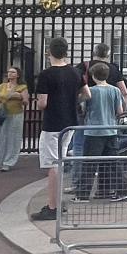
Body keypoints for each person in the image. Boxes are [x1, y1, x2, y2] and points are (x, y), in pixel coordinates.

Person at [32, 37, 84, 222]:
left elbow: (42, 103)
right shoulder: (76, 72)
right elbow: (87, 94)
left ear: (49, 53)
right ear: (66, 52)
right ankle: (57, 202)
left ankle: (52, 206)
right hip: (70, 121)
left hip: (52, 123)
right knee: (60, 162)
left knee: (52, 165)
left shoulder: (46, 75)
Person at [75, 62, 126, 201]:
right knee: (113, 163)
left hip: (93, 131)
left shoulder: (91, 91)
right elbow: (120, 111)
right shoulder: (115, 90)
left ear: (93, 75)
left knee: (89, 164)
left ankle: (83, 194)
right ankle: (124, 190)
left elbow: (84, 110)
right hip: (111, 130)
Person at [0, 66, 29, 171]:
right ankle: (0, 157)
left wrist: (19, 96)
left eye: (13, 72)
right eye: (9, 72)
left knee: (12, 139)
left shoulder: (22, 87)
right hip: (2, 114)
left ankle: (8, 162)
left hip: (15, 114)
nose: (10, 74)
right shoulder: (1, 86)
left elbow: (26, 101)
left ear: (18, 75)